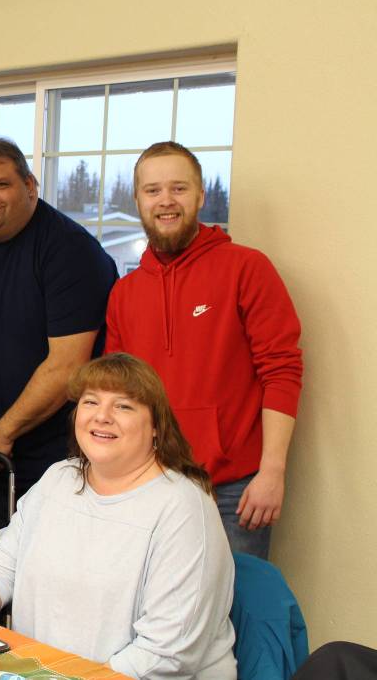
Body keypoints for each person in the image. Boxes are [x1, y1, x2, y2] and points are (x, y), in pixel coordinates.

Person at [0, 353, 236, 679]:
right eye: (91, 401)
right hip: (46, 671)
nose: (102, 416)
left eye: (124, 406)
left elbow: (166, 654)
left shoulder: (183, 508)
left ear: (157, 426)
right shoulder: (59, 479)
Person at [105, 141, 303, 560]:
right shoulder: (125, 292)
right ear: (138, 199)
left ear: (200, 196)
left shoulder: (247, 268)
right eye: (153, 190)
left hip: (234, 488)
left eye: (179, 188)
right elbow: (116, 392)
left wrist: (272, 471)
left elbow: (282, 371)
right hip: (149, 481)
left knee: (235, 611)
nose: (166, 201)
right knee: (154, 611)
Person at [0, 138, 118, 525]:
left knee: (50, 573)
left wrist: (2, 432)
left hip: (61, 457)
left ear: (30, 186)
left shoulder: (71, 252)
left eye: (1, 184)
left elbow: (68, 365)